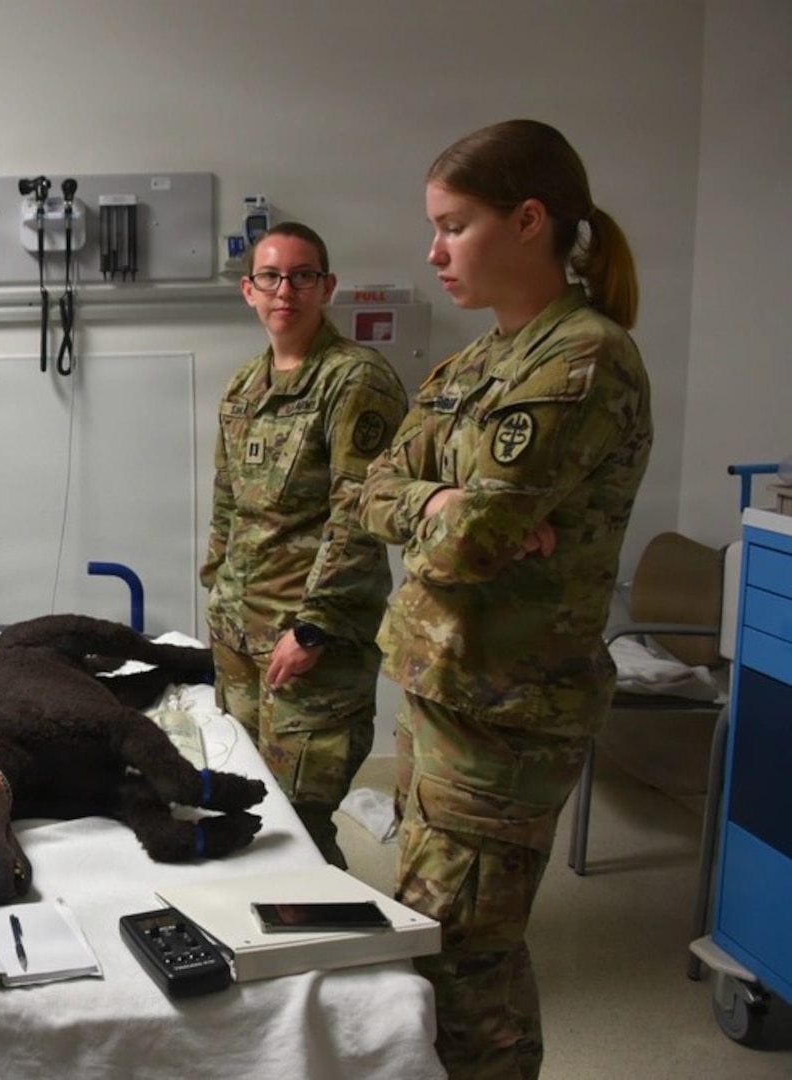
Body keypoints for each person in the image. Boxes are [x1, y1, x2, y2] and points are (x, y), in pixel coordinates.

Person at [358, 119, 652, 1080]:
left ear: (528, 221)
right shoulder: (480, 362)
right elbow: (372, 490)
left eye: (452, 226)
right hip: (445, 693)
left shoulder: (581, 361)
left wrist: (455, 513)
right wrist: (443, 498)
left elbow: (475, 543)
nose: (432, 251)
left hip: (506, 713)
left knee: (466, 960)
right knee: (437, 941)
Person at [200, 222, 407, 868]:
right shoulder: (242, 389)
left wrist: (313, 628)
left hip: (308, 645)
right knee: (245, 806)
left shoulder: (353, 382)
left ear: (326, 286)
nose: (285, 289)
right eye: (271, 276)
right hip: (239, 638)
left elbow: (358, 516)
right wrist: (217, 598)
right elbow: (227, 501)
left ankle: (321, 951)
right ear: (248, 290)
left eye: (302, 275)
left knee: (300, 823)